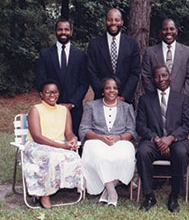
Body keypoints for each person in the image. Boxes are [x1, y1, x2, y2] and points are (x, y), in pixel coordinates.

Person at [136, 64, 189, 212]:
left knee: (181, 152)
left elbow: (187, 125)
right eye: (157, 76)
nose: (161, 79)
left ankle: (174, 195)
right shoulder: (145, 100)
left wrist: (171, 138)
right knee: (142, 152)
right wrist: (156, 139)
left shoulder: (182, 99)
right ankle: (148, 195)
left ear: (170, 77)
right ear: (153, 79)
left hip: (175, 141)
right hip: (153, 141)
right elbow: (140, 126)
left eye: (164, 75)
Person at [23, 80, 83, 209]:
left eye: (55, 92)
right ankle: (44, 195)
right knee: (51, 157)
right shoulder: (35, 109)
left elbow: (68, 132)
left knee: (74, 157)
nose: (52, 95)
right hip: (36, 145)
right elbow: (37, 137)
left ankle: (56, 188)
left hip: (57, 145)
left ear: (59, 94)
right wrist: (63, 146)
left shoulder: (64, 110)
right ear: (41, 94)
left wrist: (72, 138)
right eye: (48, 92)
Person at [79, 76, 137, 207]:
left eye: (115, 88)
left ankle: (106, 192)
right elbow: (84, 129)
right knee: (99, 155)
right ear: (102, 90)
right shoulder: (91, 106)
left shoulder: (127, 107)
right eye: (108, 88)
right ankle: (112, 192)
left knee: (126, 155)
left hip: (120, 140)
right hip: (96, 140)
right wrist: (100, 137)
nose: (112, 91)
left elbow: (132, 131)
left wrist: (119, 137)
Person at [36, 18, 89, 138]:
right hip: (51, 107)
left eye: (66, 29)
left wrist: (72, 104)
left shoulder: (80, 55)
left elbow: (84, 83)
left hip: (74, 110)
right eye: (60, 29)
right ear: (55, 32)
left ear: (71, 32)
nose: (63, 32)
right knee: (51, 139)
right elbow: (40, 81)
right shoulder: (45, 54)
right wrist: (52, 102)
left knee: (75, 142)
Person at [87, 8, 140, 103]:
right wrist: (103, 95)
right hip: (101, 100)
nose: (113, 23)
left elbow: (135, 72)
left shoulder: (132, 44)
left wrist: (124, 96)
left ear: (122, 22)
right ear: (105, 22)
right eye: (110, 20)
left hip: (125, 101)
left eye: (117, 20)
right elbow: (91, 72)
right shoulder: (94, 44)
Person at [141, 18, 189, 97]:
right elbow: (146, 77)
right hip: (156, 100)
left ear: (176, 31)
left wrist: (182, 99)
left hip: (179, 101)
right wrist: (155, 97)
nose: (168, 32)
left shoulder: (187, 52)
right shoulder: (150, 52)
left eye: (172, 29)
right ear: (160, 32)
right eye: (165, 29)